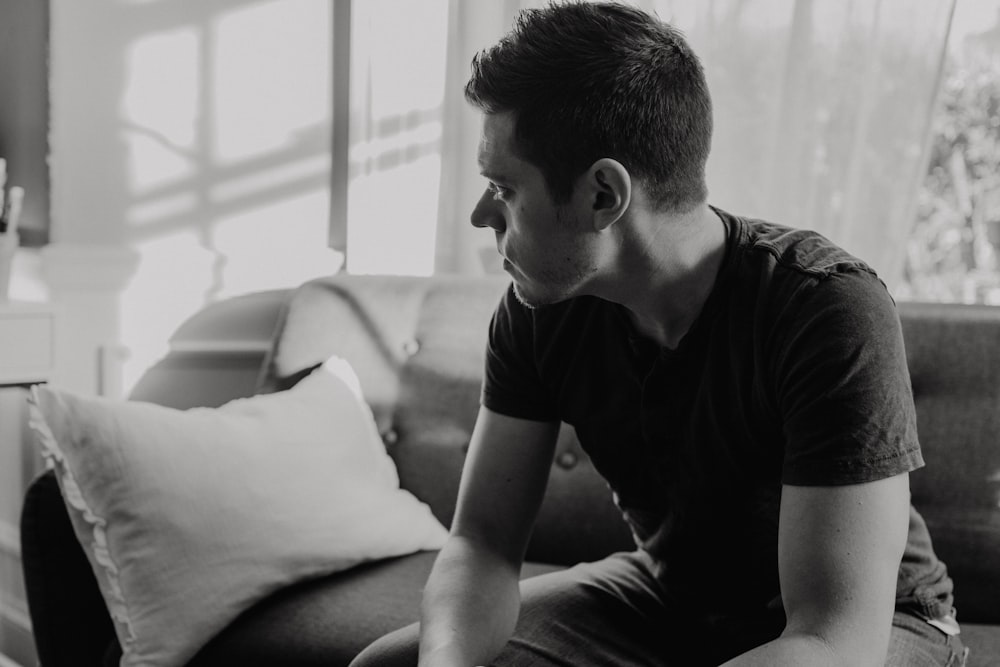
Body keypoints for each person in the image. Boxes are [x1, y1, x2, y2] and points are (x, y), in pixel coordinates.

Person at [351, 2, 966, 665]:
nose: (480, 215)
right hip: (671, 597)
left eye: (503, 187)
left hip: (875, 629)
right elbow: (482, 544)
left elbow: (833, 637)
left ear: (603, 195)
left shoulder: (826, 308)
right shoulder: (538, 309)